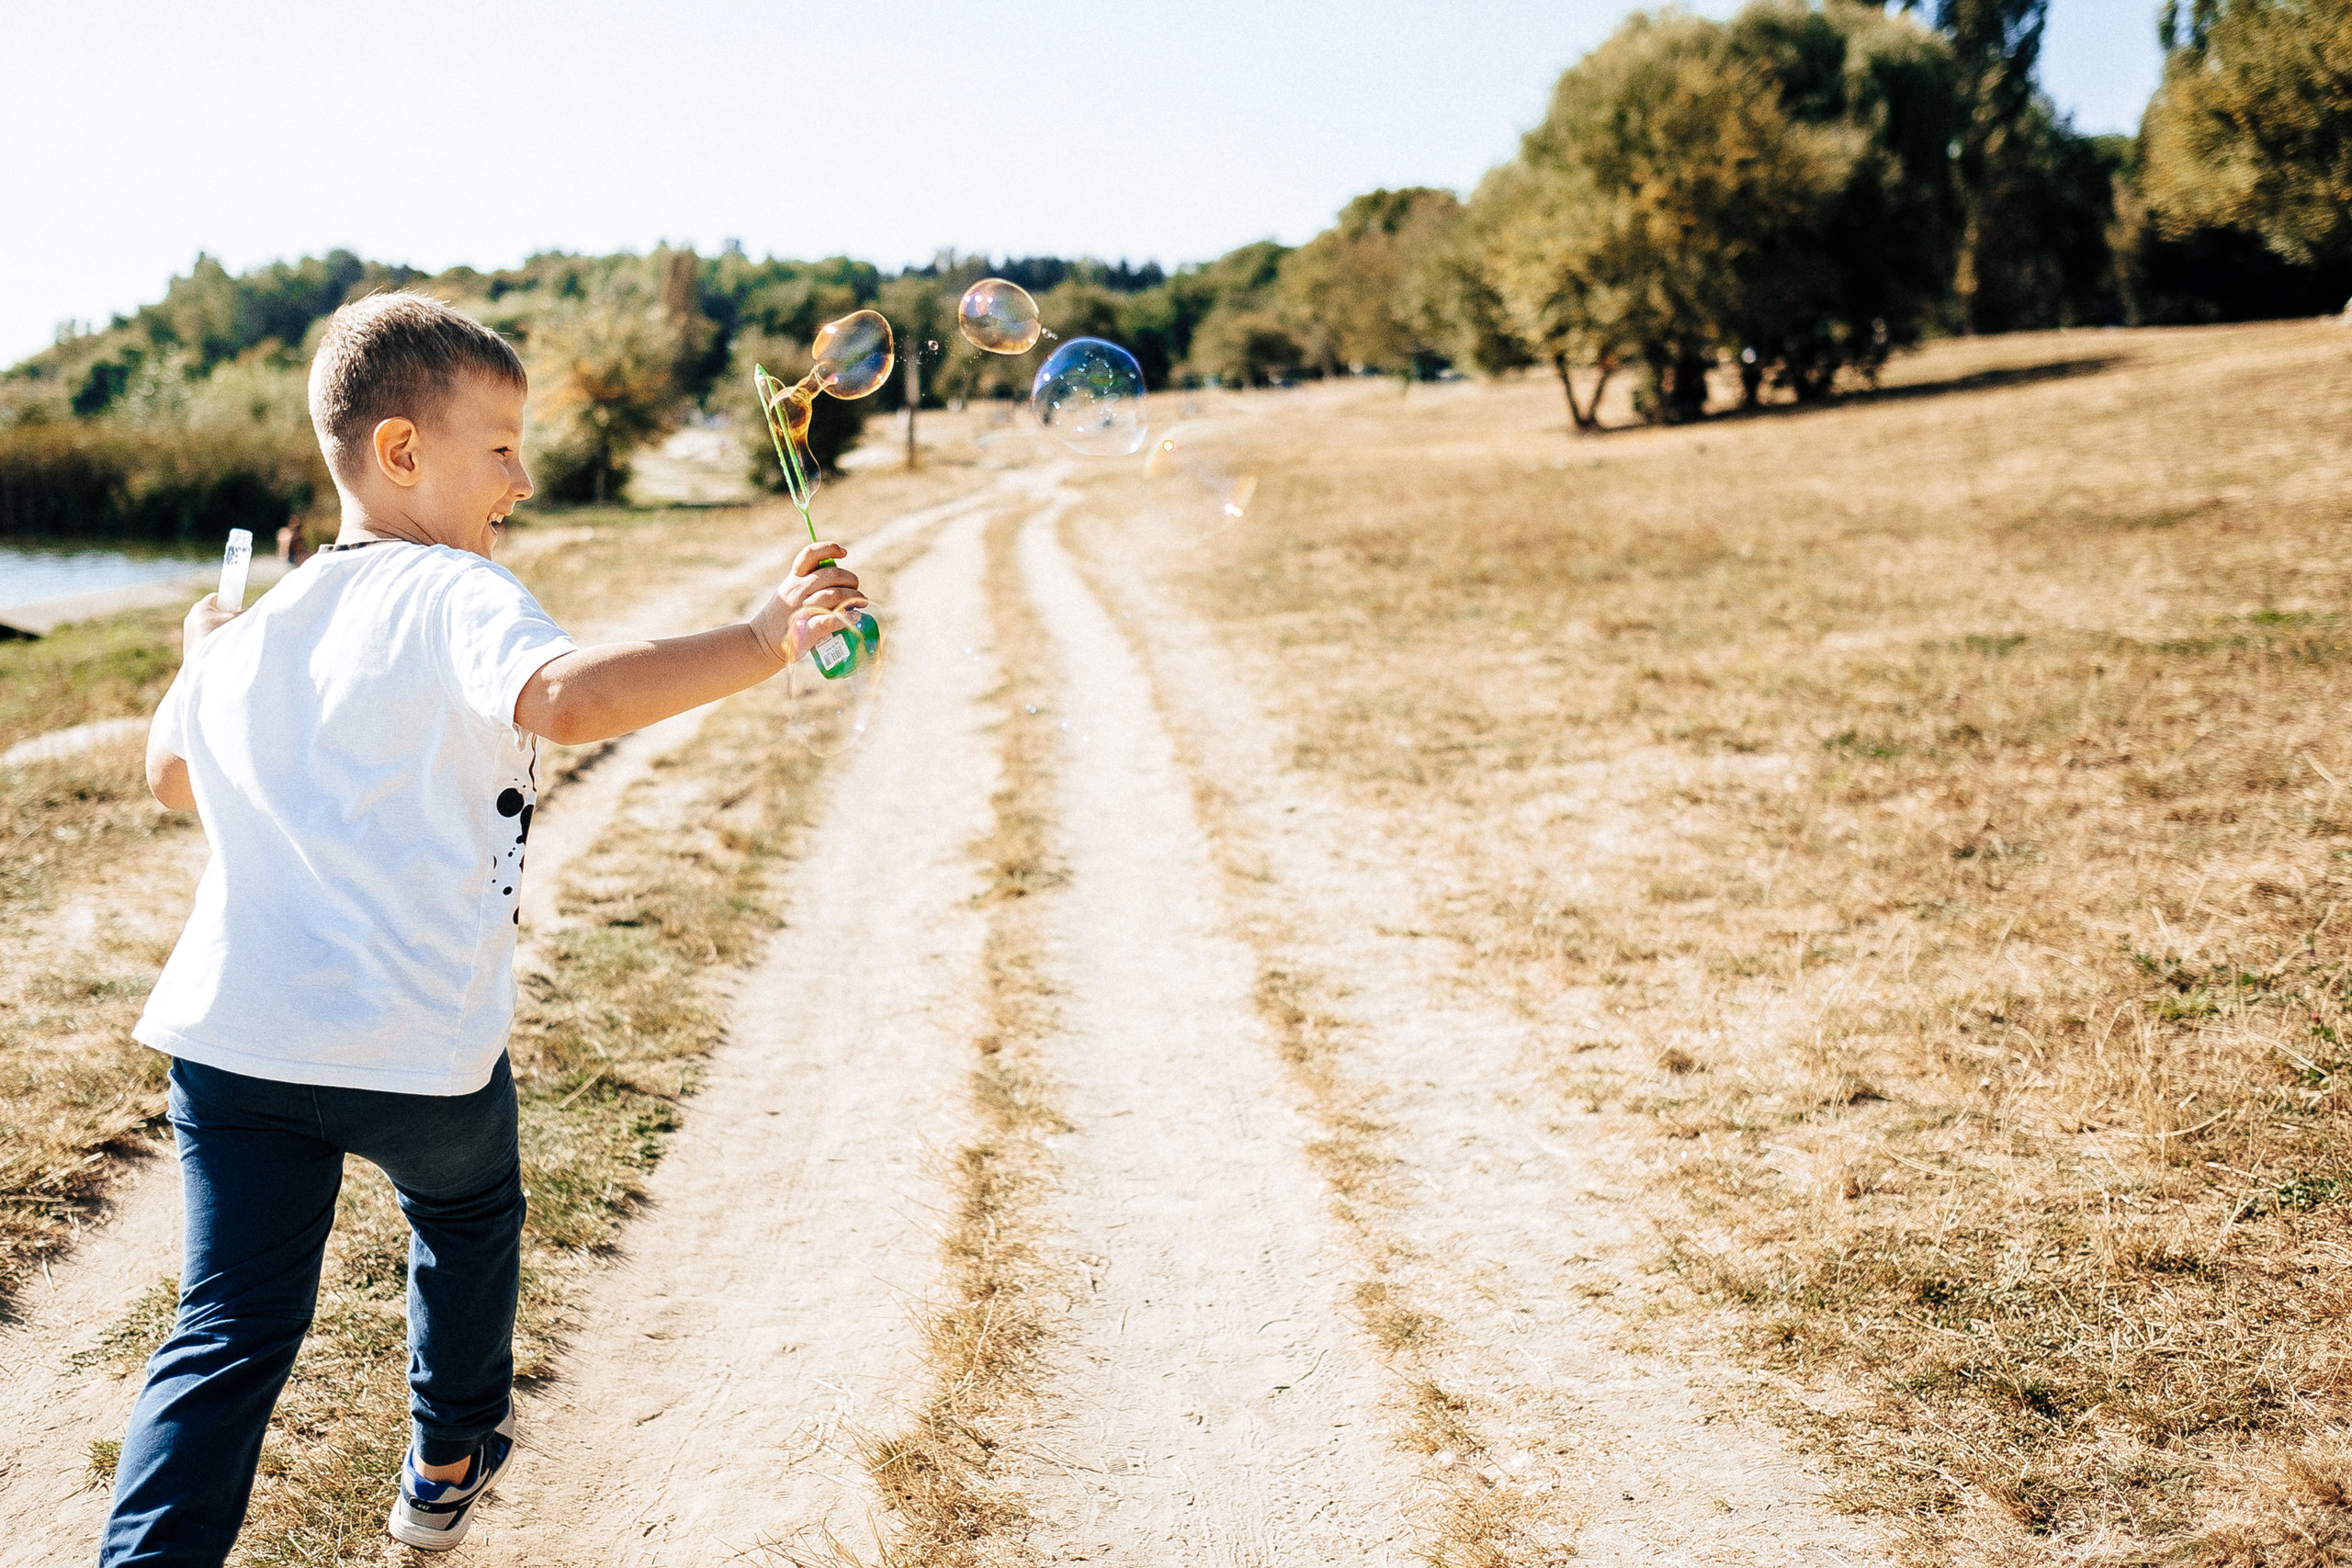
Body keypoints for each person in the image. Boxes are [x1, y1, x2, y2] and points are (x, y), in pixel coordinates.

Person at [103, 291, 864, 1563]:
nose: (522, 474)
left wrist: (198, 660)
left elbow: (169, 778)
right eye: (500, 445)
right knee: (467, 1221)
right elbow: (561, 700)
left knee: (227, 1328)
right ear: (404, 454)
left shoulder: (254, 629)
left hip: (235, 1050)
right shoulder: (453, 588)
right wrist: (755, 639)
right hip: (418, 1048)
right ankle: (447, 1457)